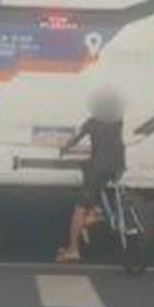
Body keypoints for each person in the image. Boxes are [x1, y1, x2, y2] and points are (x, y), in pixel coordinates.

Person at [56, 87, 127, 263]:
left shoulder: (91, 123)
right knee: (98, 179)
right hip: (118, 164)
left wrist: (65, 147)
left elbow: (77, 138)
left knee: (79, 207)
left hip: (100, 165)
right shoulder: (118, 120)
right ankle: (96, 210)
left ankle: (73, 249)